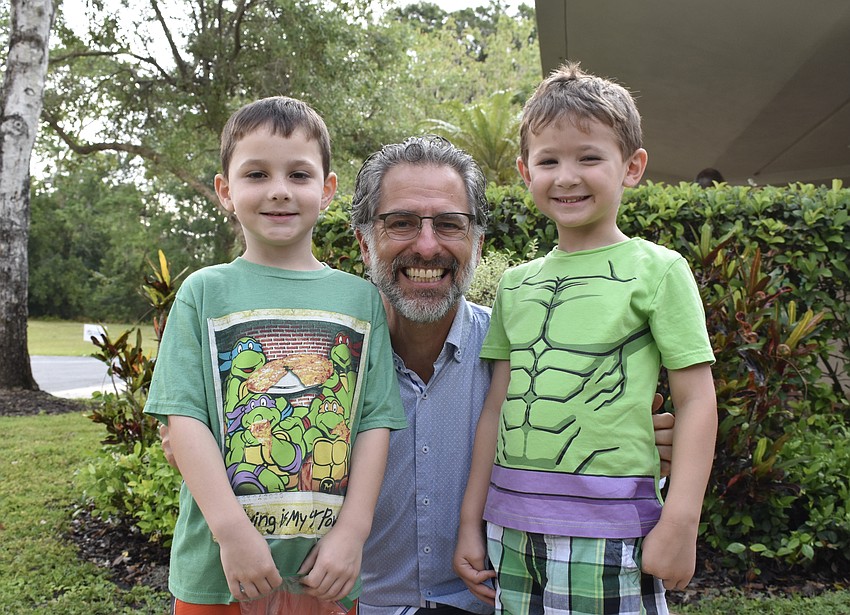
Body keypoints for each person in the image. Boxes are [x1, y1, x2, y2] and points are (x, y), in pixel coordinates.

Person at [162, 135, 676, 615]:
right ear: (365, 244)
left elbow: (589, 431)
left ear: (476, 244)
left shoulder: (521, 354)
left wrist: (628, 434)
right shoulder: (328, 361)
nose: (427, 247)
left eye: (450, 225)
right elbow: (216, 427)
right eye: (402, 223)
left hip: (483, 602)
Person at [453, 63, 717, 614]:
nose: (566, 176)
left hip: (610, 529)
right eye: (548, 160)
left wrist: (682, 521)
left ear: (633, 167)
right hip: (510, 532)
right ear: (526, 172)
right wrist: (470, 523)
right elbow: (495, 408)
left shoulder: (659, 271)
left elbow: (697, 402)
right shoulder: (515, 284)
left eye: (589, 157)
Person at [144, 96, 407, 615]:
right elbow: (185, 419)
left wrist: (353, 534)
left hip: (323, 574)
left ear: (327, 190)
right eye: (257, 174)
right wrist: (230, 533)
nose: (280, 191)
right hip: (219, 569)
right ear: (226, 191)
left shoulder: (361, 301)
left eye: (299, 174)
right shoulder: (204, 292)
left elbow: (375, 421)